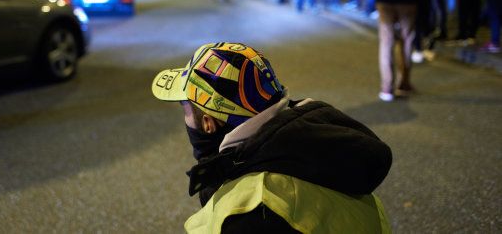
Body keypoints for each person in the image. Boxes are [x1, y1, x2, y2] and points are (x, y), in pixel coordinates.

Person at [151, 42, 393, 233]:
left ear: (208, 124)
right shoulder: (321, 146)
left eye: (186, 110)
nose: (186, 120)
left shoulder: (250, 212)